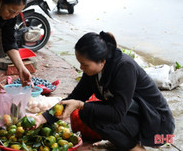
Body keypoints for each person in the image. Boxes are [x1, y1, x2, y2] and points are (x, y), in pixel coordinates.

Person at [32, 31, 175, 150]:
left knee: (90, 111)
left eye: (84, 64)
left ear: (102, 61)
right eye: (80, 63)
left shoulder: (124, 67)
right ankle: (121, 142)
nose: (82, 68)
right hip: (133, 113)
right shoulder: (93, 71)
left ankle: (135, 147)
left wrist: (81, 105)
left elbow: (117, 114)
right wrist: (42, 118)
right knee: (87, 113)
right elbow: (75, 96)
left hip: (157, 125)